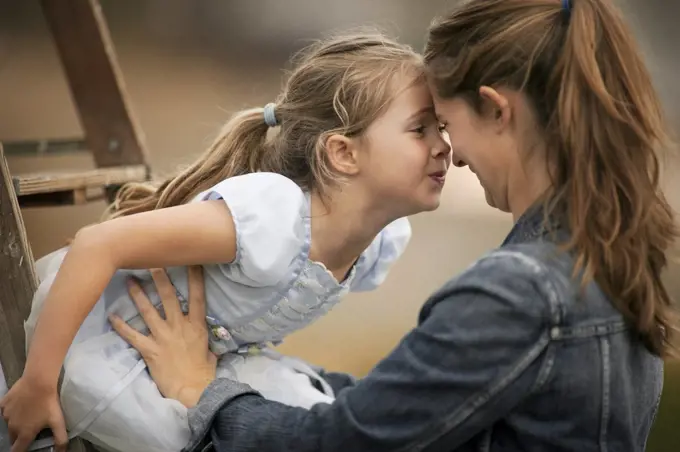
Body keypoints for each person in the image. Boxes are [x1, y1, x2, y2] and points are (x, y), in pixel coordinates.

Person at [108, 0, 679, 451]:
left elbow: (339, 446)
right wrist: (275, 375)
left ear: (498, 110)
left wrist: (201, 390)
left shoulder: (519, 292)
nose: (453, 157)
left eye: (450, 125)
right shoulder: (613, 259)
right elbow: (417, 409)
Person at [0, 32, 451, 452]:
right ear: (343, 153)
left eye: (443, 128)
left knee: (307, 416)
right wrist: (38, 382)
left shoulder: (379, 243)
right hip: (111, 341)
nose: (443, 146)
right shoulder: (274, 217)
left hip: (206, 355)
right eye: (420, 129)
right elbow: (97, 244)